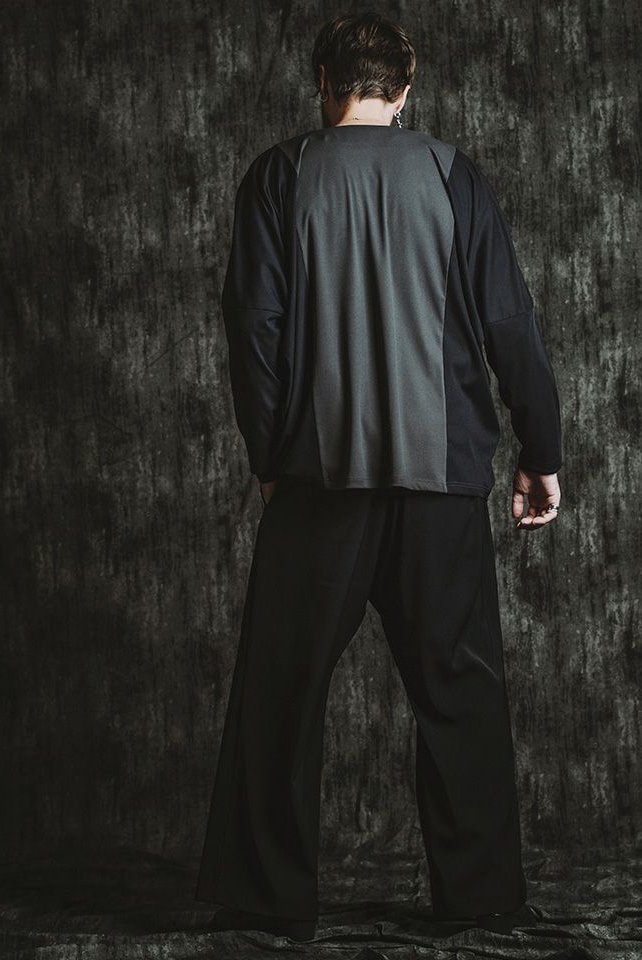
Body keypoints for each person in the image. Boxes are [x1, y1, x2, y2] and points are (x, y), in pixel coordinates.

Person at [195, 11, 562, 942]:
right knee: (460, 692)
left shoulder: (279, 175)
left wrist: (271, 460)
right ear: (407, 84)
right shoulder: (452, 173)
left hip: (319, 481)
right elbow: (509, 323)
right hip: (441, 482)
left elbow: (255, 332)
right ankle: (481, 899)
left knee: (281, 696)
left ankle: (267, 902)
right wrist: (541, 451)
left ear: (323, 80)